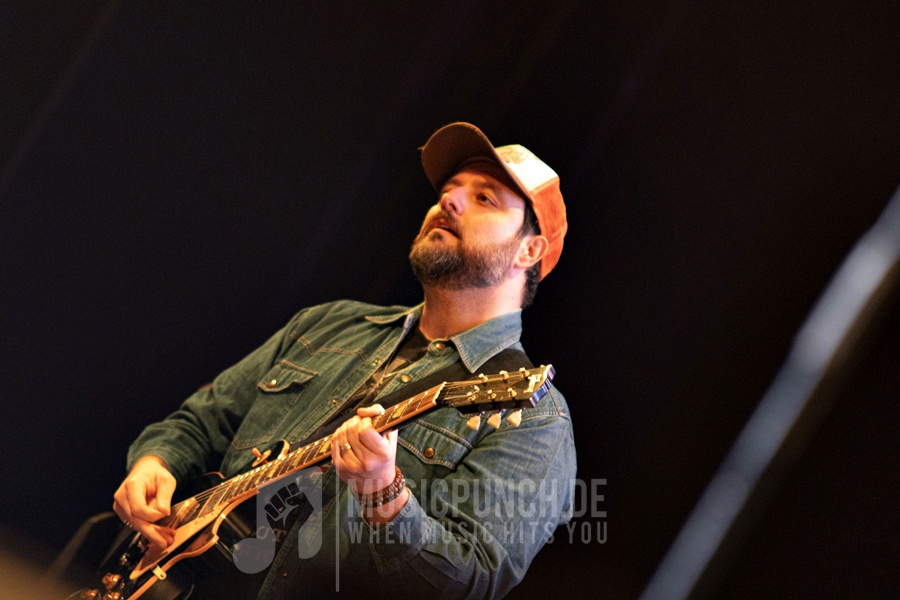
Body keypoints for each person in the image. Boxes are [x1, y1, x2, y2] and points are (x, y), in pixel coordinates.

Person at [111, 122, 576, 599]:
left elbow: (466, 581)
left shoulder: (536, 418)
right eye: (448, 190)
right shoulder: (330, 323)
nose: (449, 201)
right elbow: (202, 421)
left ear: (529, 250)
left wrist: (384, 496)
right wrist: (155, 463)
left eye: (484, 199)